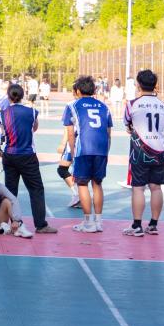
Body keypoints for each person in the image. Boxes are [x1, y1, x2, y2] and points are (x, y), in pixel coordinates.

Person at [0, 83, 55, 235]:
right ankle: (41, 225)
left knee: (10, 191)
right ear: (23, 95)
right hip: (27, 155)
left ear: (8, 96)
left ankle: (13, 224)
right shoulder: (32, 112)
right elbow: (34, 128)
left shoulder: (2, 114)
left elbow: (2, 133)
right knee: (36, 189)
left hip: (9, 155)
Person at [122, 69, 164, 237]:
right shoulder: (162, 105)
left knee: (138, 188)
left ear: (138, 85)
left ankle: (137, 225)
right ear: (155, 85)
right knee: (156, 188)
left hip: (140, 150)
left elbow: (127, 124)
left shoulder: (132, 104)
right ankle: (153, 225)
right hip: (160, 150)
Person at [65, 76, 113, 233]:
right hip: (101, 149)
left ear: (78, 91)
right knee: (97, 184)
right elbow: (108, 133)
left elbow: (70, 133)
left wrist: (72, 153)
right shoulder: (104, 107)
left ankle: (88, 222)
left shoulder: (72, 106)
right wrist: (106, 152)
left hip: (83, 149)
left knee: (82, 184)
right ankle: (98, 222)